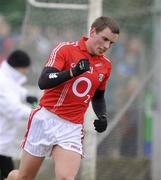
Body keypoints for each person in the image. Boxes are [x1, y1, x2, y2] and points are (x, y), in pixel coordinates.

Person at [7, 16, 120, 180]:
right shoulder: (65, 49)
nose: (106, 46)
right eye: (104, 39)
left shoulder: (106, 65)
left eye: (111, 43)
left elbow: (98, 96)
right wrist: (72, 72)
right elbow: (43, 81)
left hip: (71, 127)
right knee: (24, 177)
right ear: (92, 31)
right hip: (46, 119)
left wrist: (102, 116)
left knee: (66, 178)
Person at [0, 50, 38, 180]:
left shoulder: (7, 79)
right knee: (10, 175)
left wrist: (26, 96)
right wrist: (35, 113)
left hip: (3, 143)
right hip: (1, 140)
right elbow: (13, 109)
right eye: (25, 69)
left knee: (9, 174)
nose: (26, 72)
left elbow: (15, 90)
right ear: (18, 67)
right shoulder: (3, 82)